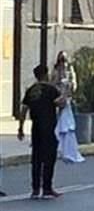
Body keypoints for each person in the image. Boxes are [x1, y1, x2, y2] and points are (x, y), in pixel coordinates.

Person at [17, 65, 66, 199]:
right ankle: (47, 188)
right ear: (46, 74)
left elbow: (24, 110)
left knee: (36, 158)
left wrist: (20, 128)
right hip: (49, 127)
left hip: (36, 127)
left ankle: (35, 189)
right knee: (49, 157)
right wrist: (65, 95)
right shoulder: (51, 89)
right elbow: (60, 104)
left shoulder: (31, 90)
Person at [52, 52, 84, 164]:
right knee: (57, 123)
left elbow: (74, 85)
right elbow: (53, 84)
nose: (63, 63)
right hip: (57, 100)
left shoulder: (70, 71)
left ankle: (68, 149)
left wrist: (69, 86)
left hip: (67, 100)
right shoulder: (55, 71)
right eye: (61, 60)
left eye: (64, 60)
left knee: (67, 124)